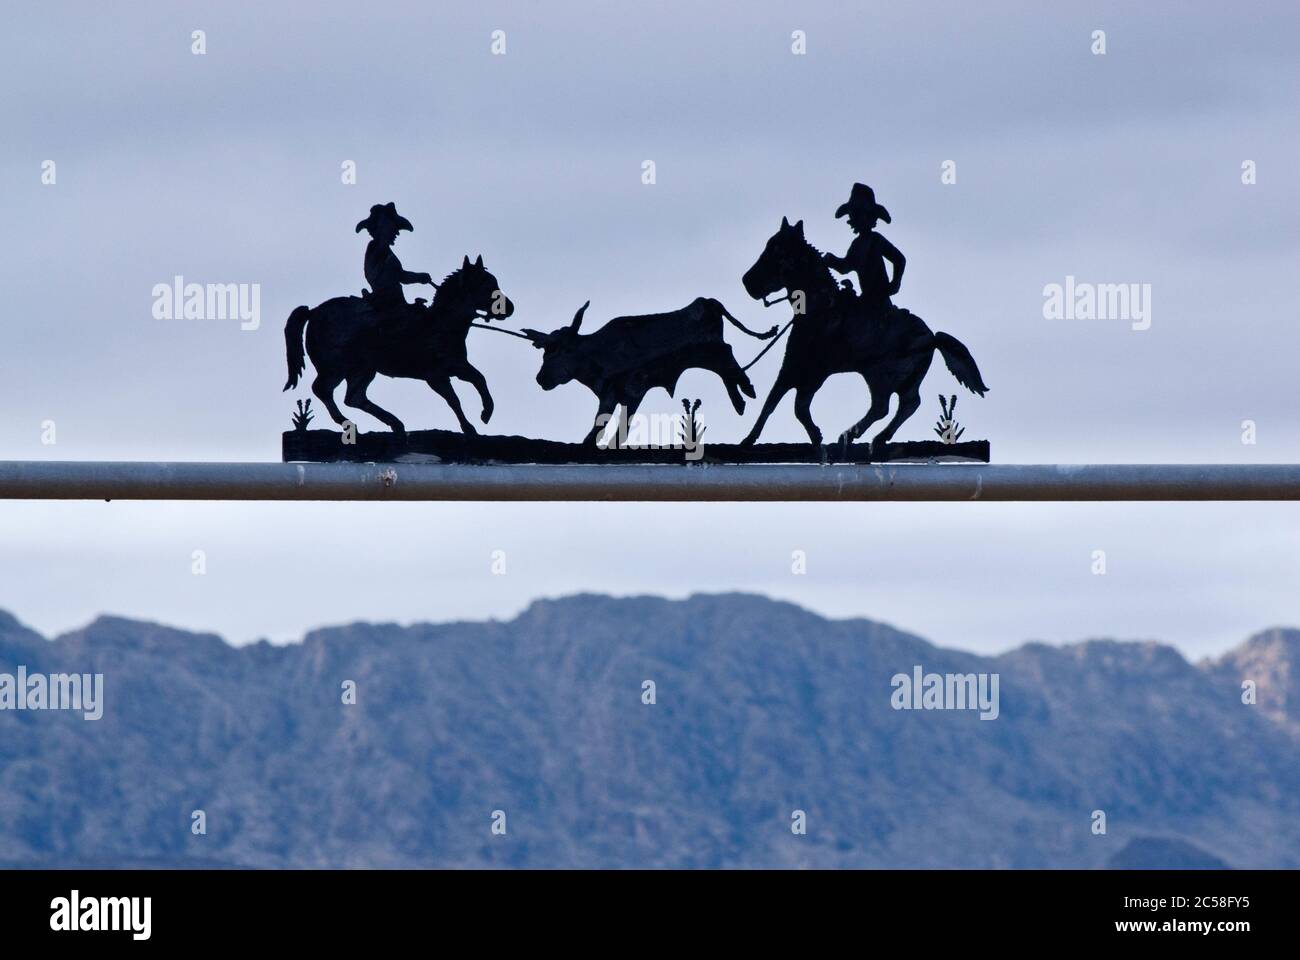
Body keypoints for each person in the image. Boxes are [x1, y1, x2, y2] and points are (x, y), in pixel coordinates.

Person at [822, 183, 905, 316]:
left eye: (858, 215)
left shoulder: (874, 240)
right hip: (866, 300)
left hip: (879, 302)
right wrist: (830, 260)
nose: (854, 218)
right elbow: (845, 266)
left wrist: (895, 284)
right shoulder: (859, 243)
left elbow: (899, 259)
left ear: (869, 217)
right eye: (853, 215)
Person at [354, 202, 435, 320]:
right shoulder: (376, 247)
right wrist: (418, 277)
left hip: (395, 300)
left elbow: (400, 275)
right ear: (383, 226)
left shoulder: (386, 251)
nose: (396, 232)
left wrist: (419, 277)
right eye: (393, 227)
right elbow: (397, 275)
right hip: (386, 301)